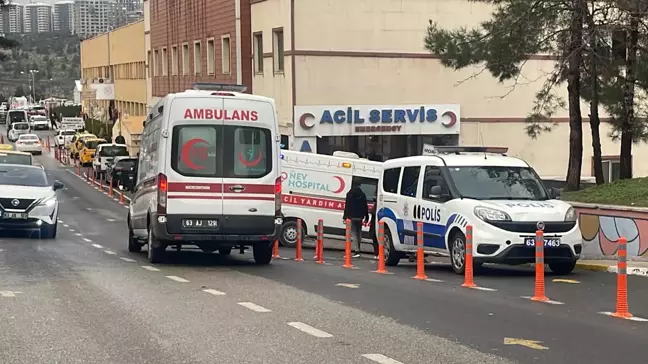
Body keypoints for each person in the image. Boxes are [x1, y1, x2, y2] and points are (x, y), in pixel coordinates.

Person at [342, 184, 369, 258]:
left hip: (352, 216)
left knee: (353, 234)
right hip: (360, 217)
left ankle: (357, 251)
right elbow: (365, 206)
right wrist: (366, 216)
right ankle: (358, 249)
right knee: (359, 233)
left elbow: (347, 206)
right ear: (359, 186)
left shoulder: (349, 194)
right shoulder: (362, 195)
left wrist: (345, 216)